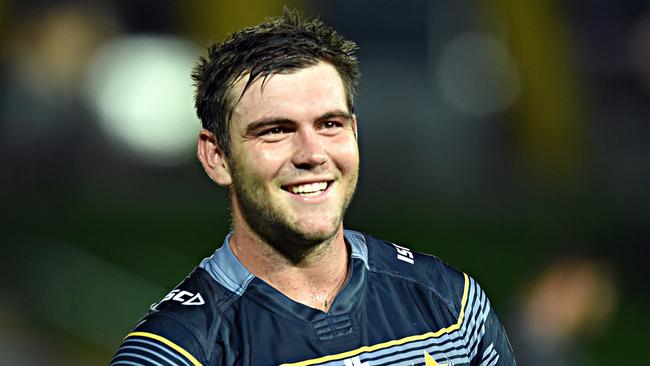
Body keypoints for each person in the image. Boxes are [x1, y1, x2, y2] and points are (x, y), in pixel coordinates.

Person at [110, 9, 516, 366]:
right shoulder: (177, 352)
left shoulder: (451, 306)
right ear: (217, 157)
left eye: (329, 125)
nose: (311, 153)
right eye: (275, 131)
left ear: (355, 134)